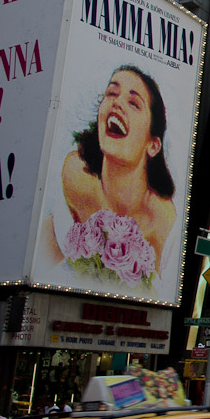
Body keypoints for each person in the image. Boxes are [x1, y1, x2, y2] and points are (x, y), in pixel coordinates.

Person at [46, 66, 177, 281]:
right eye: (111, 93)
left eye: (134, 103)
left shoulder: (165, 224)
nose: (116, 103)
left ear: (153, 145)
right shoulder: (74, 175)